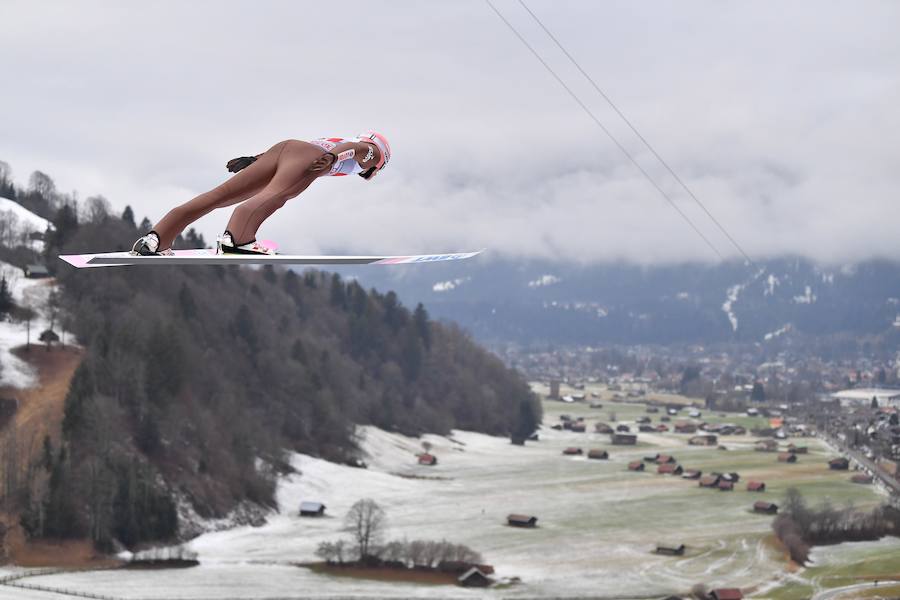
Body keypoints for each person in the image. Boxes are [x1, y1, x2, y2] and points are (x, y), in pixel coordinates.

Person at [130, 131, 390, 256]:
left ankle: (158, 238)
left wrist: (254, 159)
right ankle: (238, 239)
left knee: (220, 195)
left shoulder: (334, 139)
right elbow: (354, 148)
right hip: (310, 158)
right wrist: (333, 157)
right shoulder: (374, 153)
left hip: (284, 149)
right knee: (277, 195)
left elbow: (294, 150)